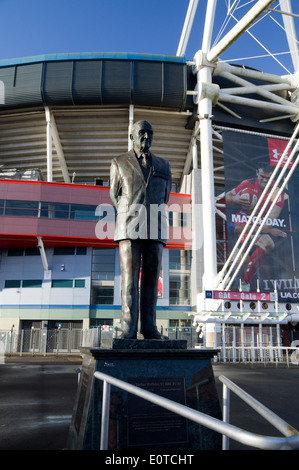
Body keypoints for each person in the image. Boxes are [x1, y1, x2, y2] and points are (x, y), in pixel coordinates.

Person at [110, 120, 172, 339]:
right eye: (142, 133)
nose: (146, 137)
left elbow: (165, 196)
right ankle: (128, 327)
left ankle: (149, 327)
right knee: (129, 279)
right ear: (132, 137)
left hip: (155, 227)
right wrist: (131, 214)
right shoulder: (119, 162)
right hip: (129, 227)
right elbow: (115, 195)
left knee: (151, 280)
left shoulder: (164, 166)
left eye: (150, 134)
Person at [225, 162, 287, 291]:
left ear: (273, 177)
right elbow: (227, 197)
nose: (264, 180)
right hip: (242, 222)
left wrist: (257, 231)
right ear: (257, 173)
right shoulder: (247, 183)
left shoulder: (277, 193)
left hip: (261, 225)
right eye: (262, 176)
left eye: (268, 178)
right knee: (242, 260)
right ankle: (235, 277)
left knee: (269, 243)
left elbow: (270, 220)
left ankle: (246, 282)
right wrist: (236, 199)